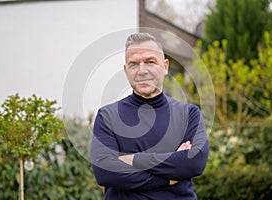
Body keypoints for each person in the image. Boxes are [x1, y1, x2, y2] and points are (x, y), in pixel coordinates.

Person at [90, 32, 209, 200]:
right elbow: (105, 173)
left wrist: (131, 159)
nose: (142, 71)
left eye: (150, 62)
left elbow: (194, 163)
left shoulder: (189, 114)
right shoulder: (108, 116)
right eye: (133, 64)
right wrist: (168, 177)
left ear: (165, 66)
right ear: (126, 70)